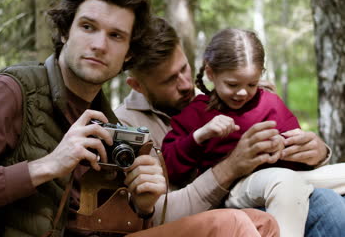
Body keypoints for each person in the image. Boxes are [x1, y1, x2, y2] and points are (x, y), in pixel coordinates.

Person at [0, 0, 279, 237]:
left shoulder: (106, 118)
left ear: (128, 54)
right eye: (88, 27)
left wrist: (142, 203)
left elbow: (101, 220)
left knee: (261, 223)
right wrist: (47, 166)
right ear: (65, 31)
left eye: (115, 36)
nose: (98, 44)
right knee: (230, 225)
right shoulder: (14, 91)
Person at [115, 18, 345, 237]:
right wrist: (229, 163)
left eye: (184, 68)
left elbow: (290, 145)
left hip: (276, 187)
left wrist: (317, 153)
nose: (185, 85)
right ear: (137, 86)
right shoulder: (125, 126)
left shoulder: (225, 93)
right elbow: (150, 214)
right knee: (326, 204)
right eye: (169, 80)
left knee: (330, 198)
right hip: (219, 213)